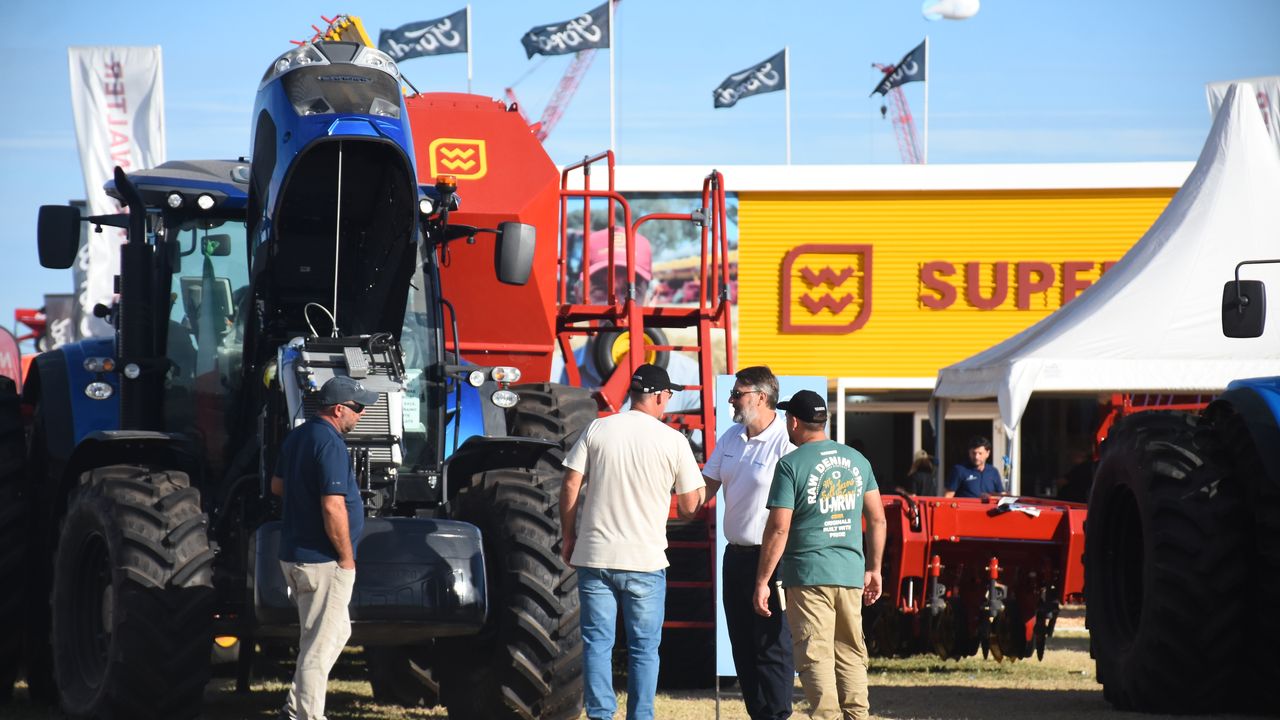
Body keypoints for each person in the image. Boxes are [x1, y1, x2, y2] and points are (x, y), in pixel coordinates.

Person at [560, 363, 706, 720]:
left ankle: (600, 715)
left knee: (597, 645)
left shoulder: (598, 427)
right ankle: (640, 716)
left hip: (594, 555)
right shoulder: (673, 440)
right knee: (644, 648)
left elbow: (569, 484)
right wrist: (702, 489)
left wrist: (569, 536)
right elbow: (689, 509)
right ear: (657, 396)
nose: (669, 400)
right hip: (645, 560)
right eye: (668, 394)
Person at [753, 389, 886, 720]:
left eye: (787, 418)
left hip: (809, 574)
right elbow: (878, 518)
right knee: (852, 652)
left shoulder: (790, 465)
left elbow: (779, 528)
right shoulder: (857, 460)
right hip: (850, 572)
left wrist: (763, 580)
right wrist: (875, 569)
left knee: (814, 655)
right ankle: (858, 716)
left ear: (795, 421)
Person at [270, 375, 378, 720]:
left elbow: (277, 486)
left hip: (296, 555)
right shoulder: (329, 443)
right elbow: (333, 506)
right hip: (324, 561)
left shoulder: (299, 435)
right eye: (358, 409)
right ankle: (307, 716)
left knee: (334, 632)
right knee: (317, 648)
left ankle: (294, 707)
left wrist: (304, 504)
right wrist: (346, 558)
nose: (361, 415)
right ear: (339, 409)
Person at [703, 366, 796, 720]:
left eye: (737, 393)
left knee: (771, 646)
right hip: (735, 556)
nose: (731, 400)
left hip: (772, 557)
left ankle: (778, 715)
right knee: (741, 645)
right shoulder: (730, 437)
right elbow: (704, 490)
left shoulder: (786, 441)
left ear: (760, 396)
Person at [553, 228, 701, 412]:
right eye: (601, 290)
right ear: (578, 295)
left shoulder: (689, 379)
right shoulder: (554, 376)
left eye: (631, 291)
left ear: (652, 297)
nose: (618, 307)